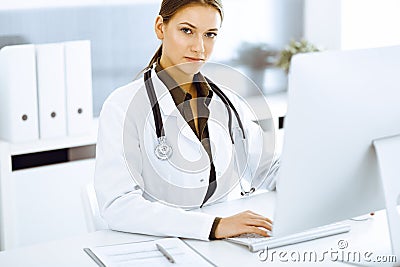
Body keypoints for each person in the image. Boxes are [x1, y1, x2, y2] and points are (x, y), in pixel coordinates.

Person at [94, 0, 277, 241]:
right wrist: (213, 227)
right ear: (161, 27)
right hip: (157, 244)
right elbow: (118, 204)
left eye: (210, 34)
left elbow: (268, 169)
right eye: (187, 31)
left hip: (224, 242)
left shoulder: (228, 102)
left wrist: (325, 183)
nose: (199, 47)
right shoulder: (122, 106)